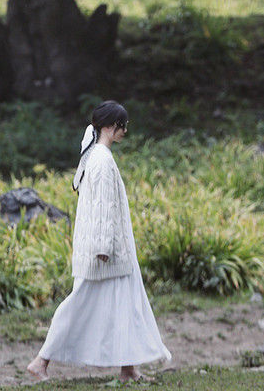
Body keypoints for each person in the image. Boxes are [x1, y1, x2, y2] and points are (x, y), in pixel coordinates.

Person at [26, 100, 171, 382]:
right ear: (108, 126)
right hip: (105, 253)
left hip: (112, 252)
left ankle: (129, 369)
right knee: (79, 305)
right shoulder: (101, 159)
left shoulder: (95, 156)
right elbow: (102, 207)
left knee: (126, 303)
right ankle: (40, 362)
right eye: (121, 125)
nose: (124, 130)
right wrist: (104, 247)